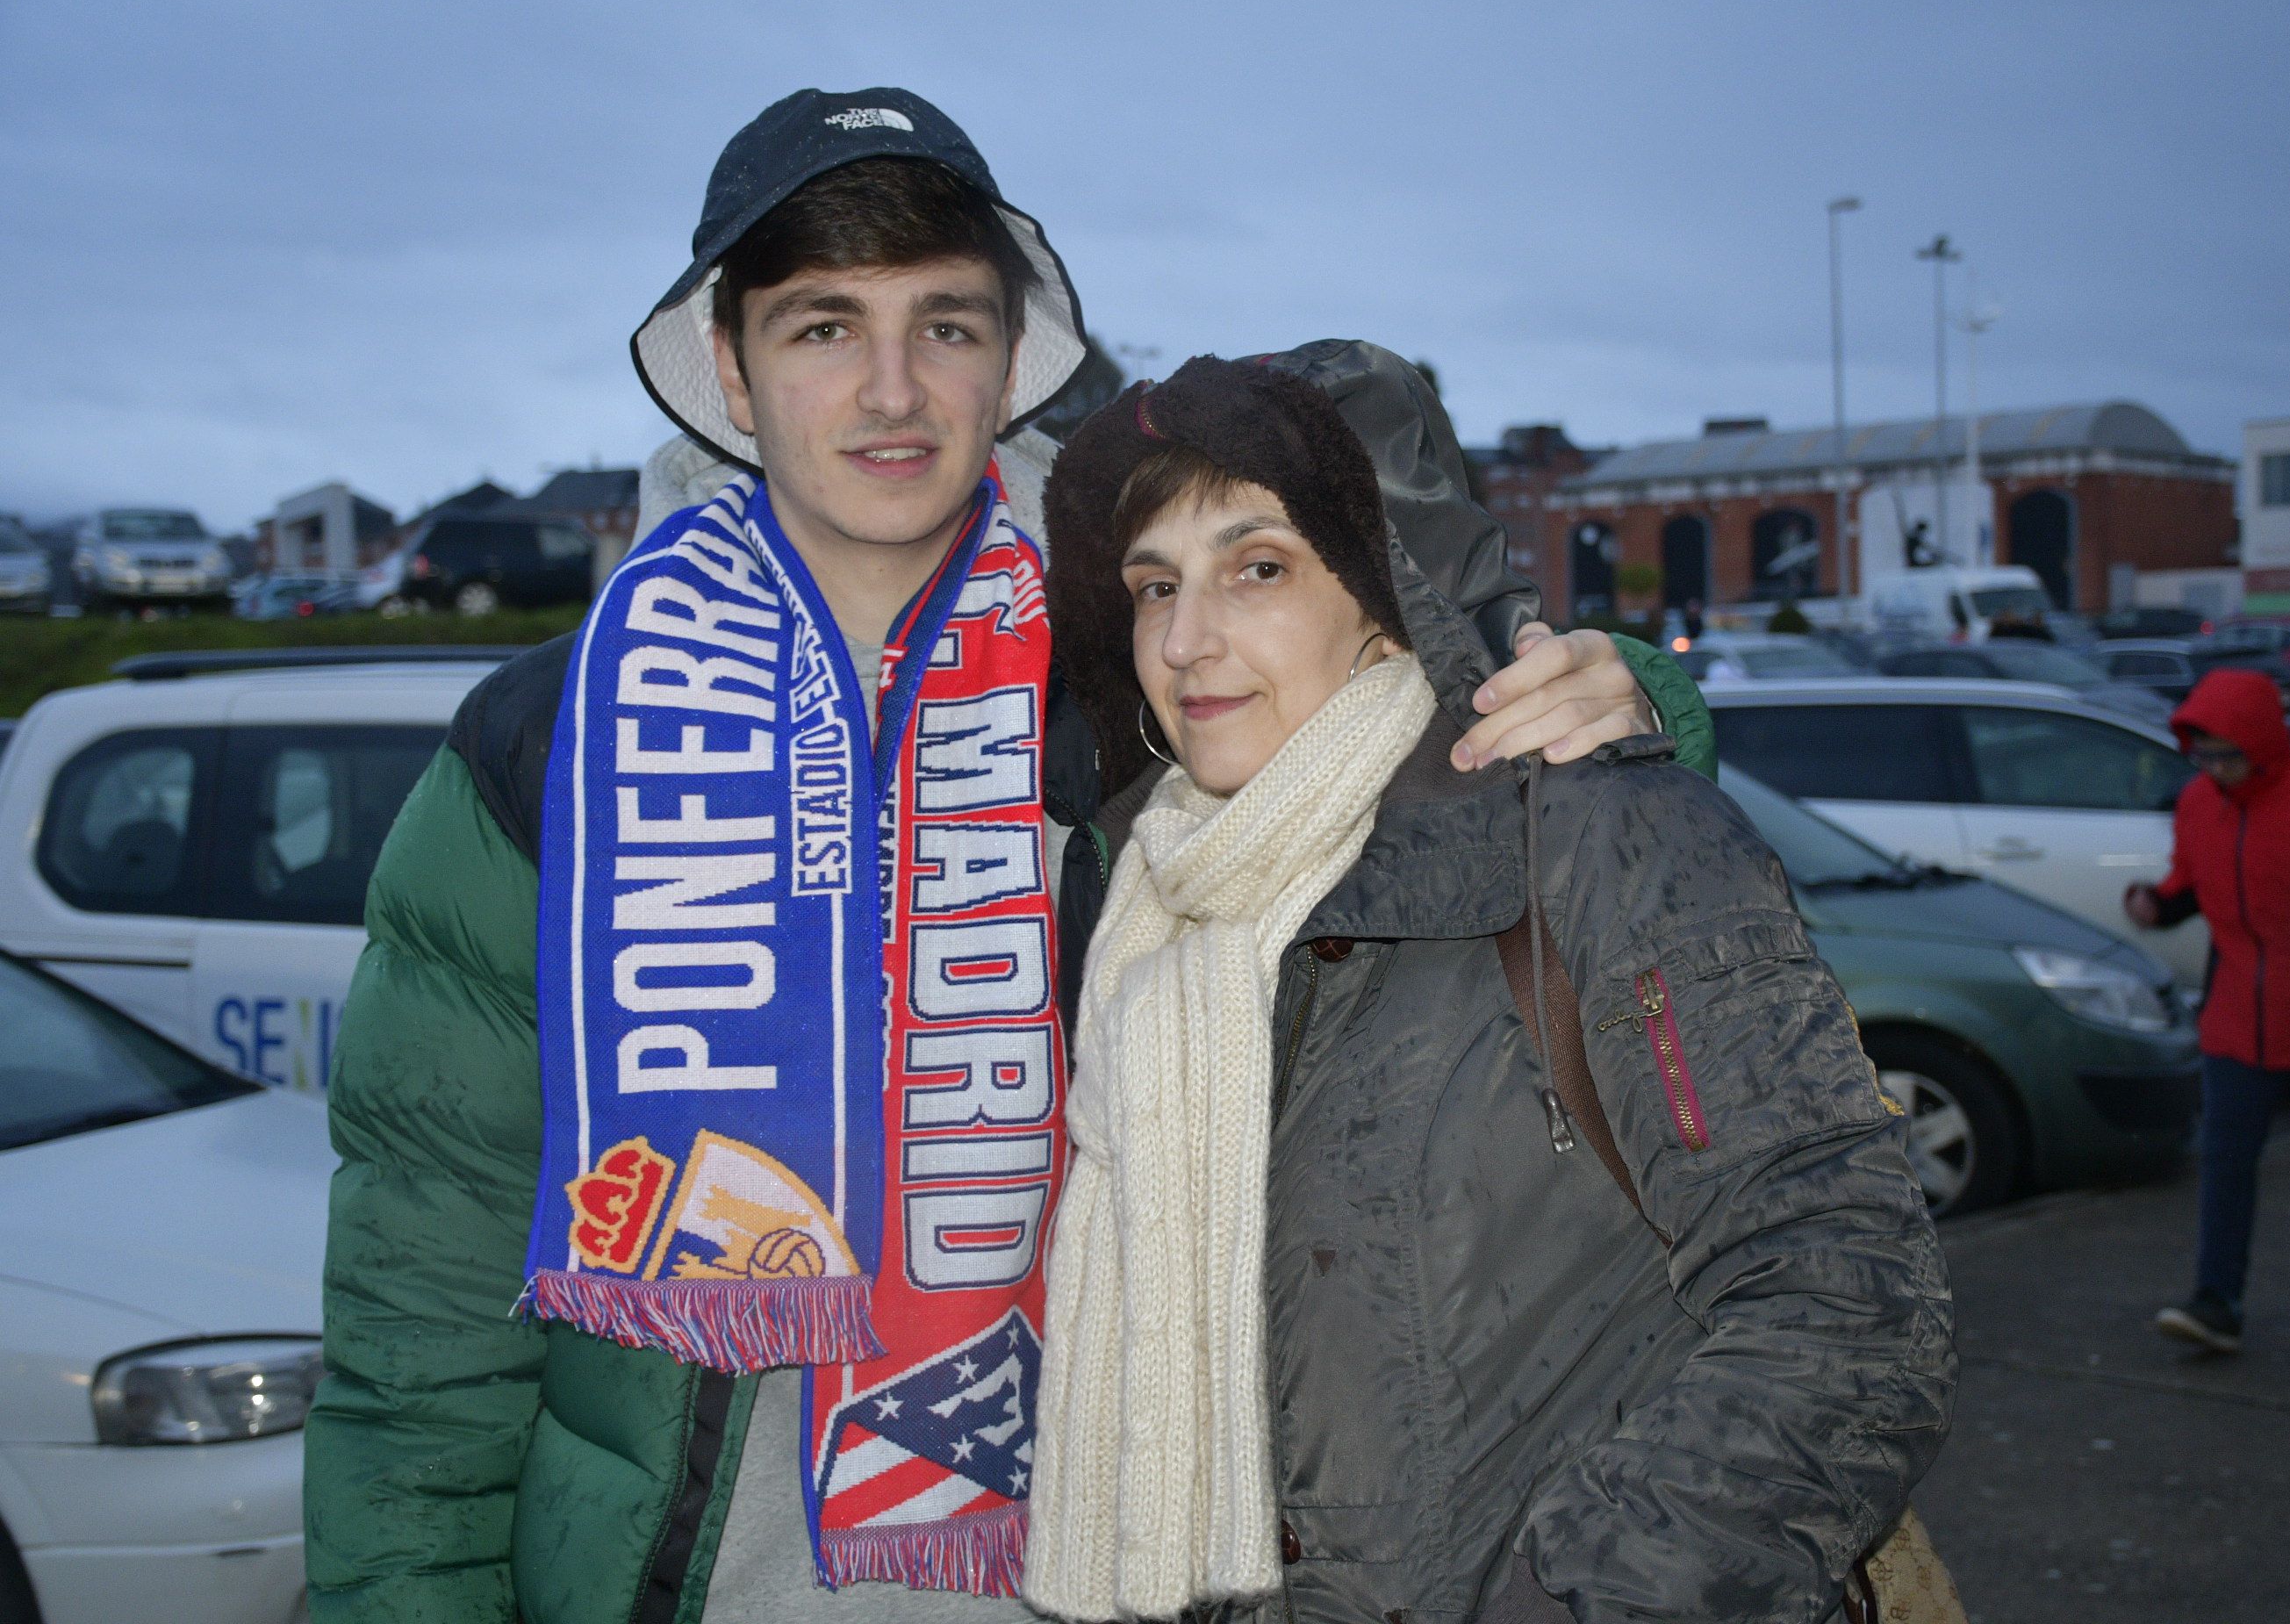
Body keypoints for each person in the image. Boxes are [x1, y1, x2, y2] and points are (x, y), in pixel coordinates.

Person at [300, 90, 1698, 1624]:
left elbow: (1432, 758)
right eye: (824, 327)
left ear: (1008, 357)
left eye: (946, 327)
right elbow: (421, 1324)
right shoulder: (543, 750)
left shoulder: (1146, 692)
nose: (892, 391)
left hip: (1109, 1577)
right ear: (729, 363)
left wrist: (1631, 696)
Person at [1023, 350, 1953, 1624]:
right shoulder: (1152, 920)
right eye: (1152, 585)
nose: (1186, 640)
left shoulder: (1587, 840)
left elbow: (1843, 1297)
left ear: (1383, 593)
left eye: (1260, 567)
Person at [2125, 669, 2290, 1355]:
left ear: (2263, 744)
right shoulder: (2199, 803)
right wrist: (2156, 905)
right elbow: (2187, 885)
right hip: (2234, 1016)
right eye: (2205, 756)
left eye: (2228, 755)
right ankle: (2217, 1298)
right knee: (2224, 1158)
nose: (2217, 771)